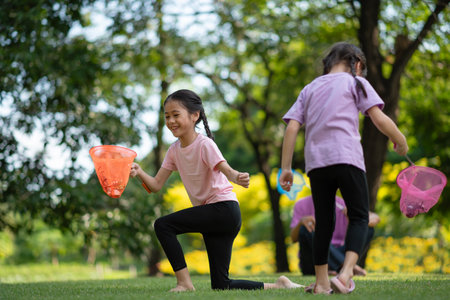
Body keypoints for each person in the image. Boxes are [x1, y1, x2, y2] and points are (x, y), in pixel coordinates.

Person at [130, 89, 301, 292]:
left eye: (176, 115)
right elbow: (156, 184)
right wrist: (140, 171)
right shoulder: (174, 150)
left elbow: (226, 170)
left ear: (195, 116)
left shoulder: (204, 144)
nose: (170, 121)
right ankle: (279, 285)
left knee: (163, 225)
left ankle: (184, 283)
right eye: (167, 116)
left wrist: (237, 176)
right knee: (222, 285)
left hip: (223, 209)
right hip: (214, 216)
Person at [279, 42, 408, 294]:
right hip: (347, 158)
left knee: (323, 223)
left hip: (317, 164)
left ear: (327, 63)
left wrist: (286, 168)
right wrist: (399, 140)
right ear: (357, 64)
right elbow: (377, 117)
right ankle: (346, 274)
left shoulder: (310, 88)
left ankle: (322, 283)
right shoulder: (355, 82)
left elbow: (292, 127)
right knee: (359, 216)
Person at [290, 195, 380, 276]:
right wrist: (301, 222)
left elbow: (374, 218)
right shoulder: (301, 204)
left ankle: (340, 265)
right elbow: (293, 238)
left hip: (338, 252)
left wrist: (353, 218)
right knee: (305, 229)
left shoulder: (343, 204)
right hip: (313, 261)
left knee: (367, 229)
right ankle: (346, 267)